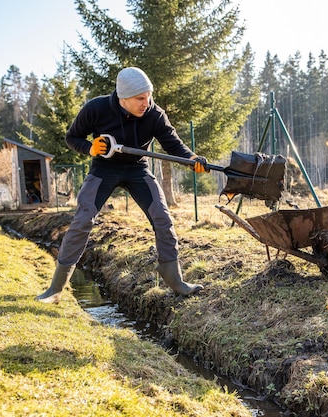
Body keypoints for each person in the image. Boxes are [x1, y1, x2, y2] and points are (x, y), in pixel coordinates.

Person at [36, 67, 209, 304]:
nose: (146, 103)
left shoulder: (155, 114)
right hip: (104, 169)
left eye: (148, 96)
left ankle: (176, 282)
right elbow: (72, 137)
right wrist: (90, 148)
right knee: (83, 218)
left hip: (138, 169)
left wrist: (192, 160)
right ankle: (55, 289)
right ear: (123, 97)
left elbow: (174, 145)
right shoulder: (96, 109)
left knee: (162, 216)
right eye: (140, 98)